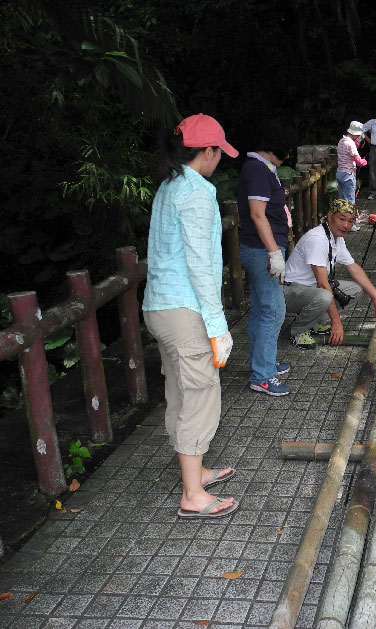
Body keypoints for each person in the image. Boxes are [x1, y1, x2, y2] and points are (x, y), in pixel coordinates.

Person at [142, 114, 239, 519]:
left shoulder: (170, 185)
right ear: (208, 151)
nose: (220, 160)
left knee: (180, 393)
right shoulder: (198, 192)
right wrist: (219, 328)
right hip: (185, 310)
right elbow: (202, 266)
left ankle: (195, 474)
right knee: (200, 394)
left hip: (159, 307)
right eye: (219, 152)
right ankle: (192, 495)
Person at [237, 120, 298, 397]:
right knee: (273, 311)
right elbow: (258, 214)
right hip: (262, 250)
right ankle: (262, 376)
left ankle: (262, 362)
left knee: (262, 309)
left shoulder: (259, 168)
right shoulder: (258, 169)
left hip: (261, 248)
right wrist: (274, 252)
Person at [283, 199, 376, 348]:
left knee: (354, 290)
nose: (346, 225)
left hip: (309, 289)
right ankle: (297, 331)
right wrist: (337, 323)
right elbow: (322, 283)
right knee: (325, 295)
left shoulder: (336, 238)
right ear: (329, 216)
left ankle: (315, 322)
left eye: (350, 221)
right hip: (288, 291)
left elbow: (353, 268)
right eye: (341, 218)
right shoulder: (317, 239)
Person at [337, 121, 367, 204]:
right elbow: (359, 162)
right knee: (350, 201)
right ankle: (350, 217)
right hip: (348, 175)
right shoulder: (350, 144)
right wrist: (365, 161)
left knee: (342, 201)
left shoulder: (342, 141)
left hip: (340, 173)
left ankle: (342, 216)